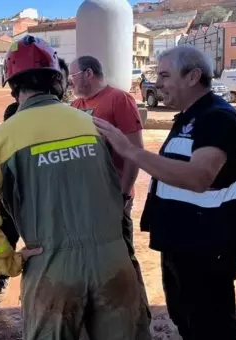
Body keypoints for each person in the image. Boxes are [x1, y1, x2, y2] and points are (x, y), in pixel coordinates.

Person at [0, 35, 151, 340]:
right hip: (114, 260)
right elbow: (116, 177)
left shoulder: (4, 137)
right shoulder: (92, 123)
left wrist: (6, 261)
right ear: (57, 81)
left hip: (51, 267)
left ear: (13, 86)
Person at [94, 45, 236, 340]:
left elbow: (198, 177)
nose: (157, 83)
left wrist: (129, 150)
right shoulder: (190, 117)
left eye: (165, 75)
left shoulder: (217, 118)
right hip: (185, 243)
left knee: (210, 327)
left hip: (208, 247)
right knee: (189, 321)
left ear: (193, 76)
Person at [69, 56, 150, 319]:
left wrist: (124, 193)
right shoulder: (76, 106)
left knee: (123, 257)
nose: (70, 82)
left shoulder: (118, 99)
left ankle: (137, 315)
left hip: (114, 196)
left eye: (73, 76)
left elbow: (135, 151)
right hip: (85, 200)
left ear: (88, 73)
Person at [0, 57, 71, 303]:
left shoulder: (68, 114)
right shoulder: (13, 113)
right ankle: (3, 275)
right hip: (16, 189)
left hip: (48, 192)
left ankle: (37, 293)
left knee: (43, 245)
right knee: (8, 232)